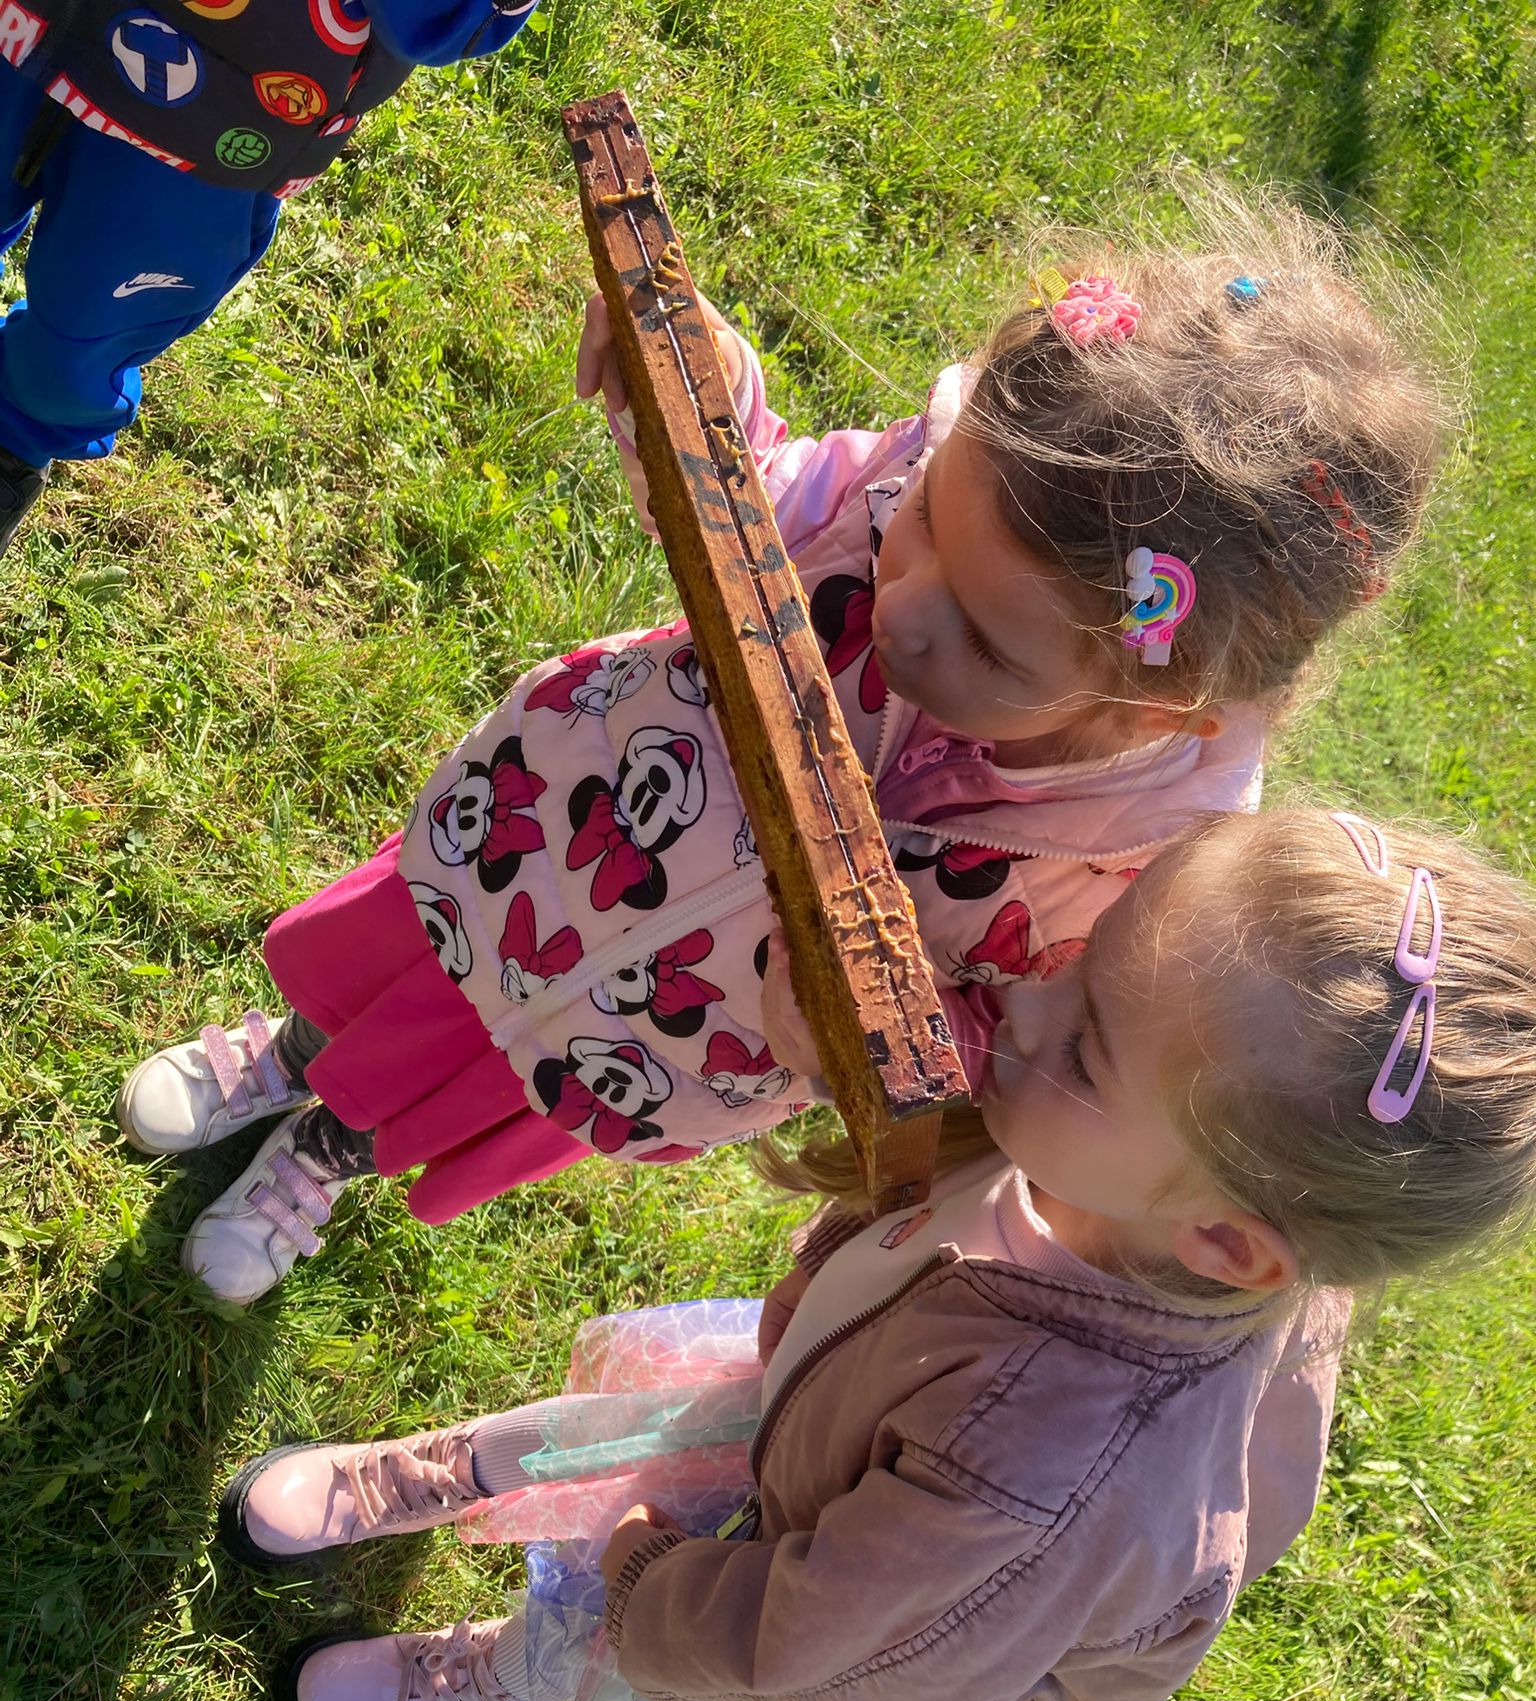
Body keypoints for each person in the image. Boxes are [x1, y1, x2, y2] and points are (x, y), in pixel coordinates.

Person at [115, 196, 1445, 1304]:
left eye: (990, 647)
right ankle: (286, 1056)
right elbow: (751, 496)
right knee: (405, 964)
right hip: (554, 829)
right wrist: (692, 391)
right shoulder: (934, 483)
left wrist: (875, 1036)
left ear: (1162, 709)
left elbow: (1018, 1035)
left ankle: (325, 1154)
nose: (907, 608)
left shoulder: (1138, 876)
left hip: (677, 1030)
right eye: (922, 523)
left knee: (475, 1082)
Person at [211, 806, 1536, 1701]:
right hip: (825, 1387)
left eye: (1084, 1040)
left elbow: (805, 1653)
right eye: (1088, 958)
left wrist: (648, 1577)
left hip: (798, 1565)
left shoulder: (1042, 1485)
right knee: (607, 1435)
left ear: (1229, 1244)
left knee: (603, 1601)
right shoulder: (1148, 1176)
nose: (1029, 991)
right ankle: (448, 1473)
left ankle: (505, 1665)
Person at [0, 0, 539, 551]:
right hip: (21, 21)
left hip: (217, 126)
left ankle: (14, 442)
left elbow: (445, 24)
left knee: (78, 345)